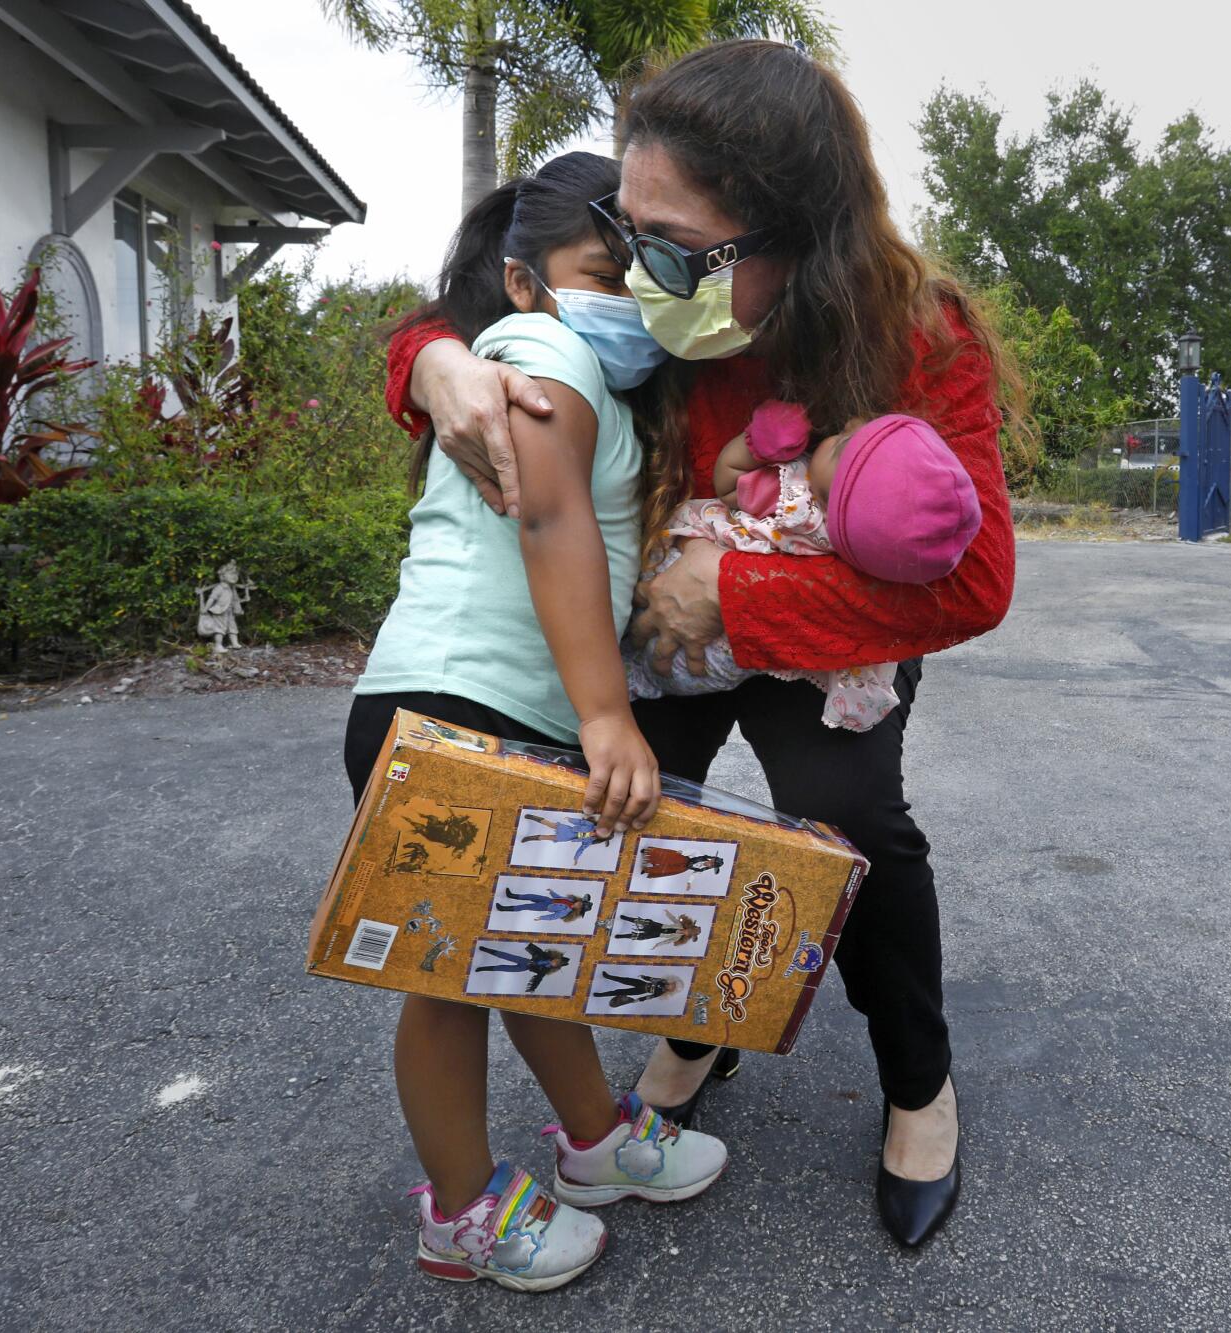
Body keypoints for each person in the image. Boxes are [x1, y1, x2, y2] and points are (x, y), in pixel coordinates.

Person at [382, 41, 1018, 1249]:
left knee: (850, 824)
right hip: (659, 626)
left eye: (668, 248)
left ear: (793, 239)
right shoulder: (653, 297)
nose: (634, 269)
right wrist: (435, 361)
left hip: (827, 627)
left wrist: (734, 591)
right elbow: (495, 289)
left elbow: (977, 579)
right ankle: (689, 1024)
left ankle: (916, 1081)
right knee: (638, 807)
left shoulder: (918, 331)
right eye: (631, 230)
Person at [347, 151, 727, 1292]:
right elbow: (551, 519)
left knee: (532, 949)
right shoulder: (540, 354)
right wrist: (608, 716)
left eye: (643, 273)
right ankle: (458, 1212)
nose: (627, 297)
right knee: (451, 974)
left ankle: (595, 1144)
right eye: (600, 270)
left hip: (509, 711)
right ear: (523, 284)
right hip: (452, 708)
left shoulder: (594, 378)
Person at [630, 400, 982, 730]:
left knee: (639, 609)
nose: (848, 425)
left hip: (685, 636)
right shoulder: (868, 553)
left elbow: (728, 481)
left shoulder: (797, 501)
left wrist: (756, 444)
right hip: (729, 662)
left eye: (843, 443)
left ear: (829, 496)